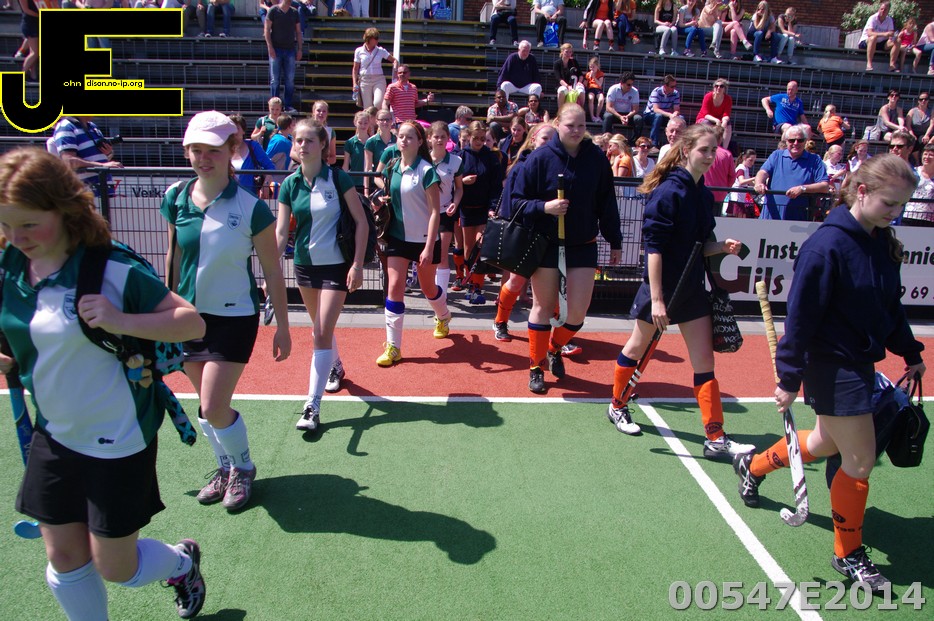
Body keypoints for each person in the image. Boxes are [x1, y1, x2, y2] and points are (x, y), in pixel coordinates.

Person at [0, 148, 207, 621]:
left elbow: (191, 323)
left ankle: (181, 563)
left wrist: (120, 319)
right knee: (64, 556)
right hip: (54, 434)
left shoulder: (111, 269)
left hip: (119, 438)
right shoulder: (9, 267)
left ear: (63, 210)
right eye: (6, 224)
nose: (16, 237)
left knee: (116, 567)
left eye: (29, 224)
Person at [733, 154, 925, 592]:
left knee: (824, 443)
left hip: (859, 362)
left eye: (901, 205)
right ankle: (848, 553)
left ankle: (752, 465)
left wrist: (910, 351)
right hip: (831, 365)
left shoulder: (881, 241)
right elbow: (801, 318)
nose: (895, 212)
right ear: (862, 191)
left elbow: (890, 307)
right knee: (859, 460)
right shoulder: (826, 246)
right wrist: (788, 378)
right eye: (889, 203)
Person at [161, 111, 291, 513]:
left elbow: (272, 270)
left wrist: (283, 327)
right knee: (205, 404)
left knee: (214, 405)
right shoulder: (175, 197)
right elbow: (174, 257)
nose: (204, 158)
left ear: (232, 150)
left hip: (234, 318)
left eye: (213, 150)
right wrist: (165, 312)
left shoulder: (252, 208)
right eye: (196, 150)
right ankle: (224, 466)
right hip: (187, 317)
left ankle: (243, 468)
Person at [607, 124, 752, 457]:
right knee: (637, 347)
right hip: (661, 289)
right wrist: (657, 300)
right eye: (704, 150)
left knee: (704, 362)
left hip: (691, 289)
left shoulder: (703, 194)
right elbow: (654, 248)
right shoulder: (668, 192)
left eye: (714, 150)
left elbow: (699, 247)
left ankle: (715, 437)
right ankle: (617, 404)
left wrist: (721, 247)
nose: (710, 156)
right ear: (686, 150)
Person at [510, 104, 622, 394]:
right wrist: (545, 207)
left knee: (576, 314)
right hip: (546, 244)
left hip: (582, 245)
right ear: (558, 123)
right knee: (543, 307)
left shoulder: (596, 158)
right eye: (570, 125)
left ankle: (554, 348)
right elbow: (516, 202)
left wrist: (615, 240)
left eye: (581, 125)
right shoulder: (539, 158)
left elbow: (607, 202)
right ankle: (536, 367)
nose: (576, 131)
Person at [275, 119, 368, 431]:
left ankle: (312, 406)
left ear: (322, 145)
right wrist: (270, 268)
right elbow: (281, 233)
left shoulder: (338, 178)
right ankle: (336, 366)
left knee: (319, 332)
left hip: (335, 266)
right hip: (304, 267)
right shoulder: (289, 184)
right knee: (320, 328)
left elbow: (361, 222)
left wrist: (357, 265)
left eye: (309, 140)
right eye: (298, 140)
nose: (302, 145)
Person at [374, 120, 453, 366]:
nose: (404, 140)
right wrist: (383, 201)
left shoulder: (427, 171)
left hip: (424, 240)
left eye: (410, 137)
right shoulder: (392, 166)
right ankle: (393, 347)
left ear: (420, 142)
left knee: (428, 289)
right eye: (401, 136)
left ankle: (443, 315)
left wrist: (429, 247)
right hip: (398, 237)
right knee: (394, 286)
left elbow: (435, 212)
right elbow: (389, 193)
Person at [492, 122, 557, 342]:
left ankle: (559, 337)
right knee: (516, 282)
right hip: (526, 232)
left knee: (551, 288)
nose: (549, 143)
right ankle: (500, 321)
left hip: (549, 234)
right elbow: (512, 205)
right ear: (533, 140)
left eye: (553, 139)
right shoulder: (521, 166)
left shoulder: (559, 165)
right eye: (545, 138)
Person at [459, 120, 504, 304]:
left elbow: (496, 186)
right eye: (475, 138)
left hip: (484, 209)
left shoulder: (491, 158)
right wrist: (462, 181)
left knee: (480, 246)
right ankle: (469, 283)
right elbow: (452, 182)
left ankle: (477, 286)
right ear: (469, 137)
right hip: (466, 208)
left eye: (482, 138)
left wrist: (493, 208)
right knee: (468, 248)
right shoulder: (461, 156)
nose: (478, 142)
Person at [754, 124, 830, 221]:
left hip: (799, 219)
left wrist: (802, 189)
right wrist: (759, 183)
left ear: (805, 141)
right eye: (792, 140)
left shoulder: (815, 160)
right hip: (771, 215)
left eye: (800, 140)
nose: (796, 143)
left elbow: (824, 186)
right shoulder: (776, 155)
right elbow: (763, 172)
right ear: (786, 141)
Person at [428, 121, 464, 293]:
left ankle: (441, 294)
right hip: (424, 212)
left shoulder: (455, 161)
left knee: (442, 256)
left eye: (443, 137)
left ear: (448, 138)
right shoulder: (422, 160)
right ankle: (429, 289)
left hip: (444, 212)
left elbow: (459, 188)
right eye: (436, 137)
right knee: (425, 254)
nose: (439, 140)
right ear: (429, 138)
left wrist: (454, 204)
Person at [50, 116, 123, 197]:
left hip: (105, 190)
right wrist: (102, 166)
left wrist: (108, 153)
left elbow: (98, 157)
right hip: (86, 195)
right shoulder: (66, 127)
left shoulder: (93, 126)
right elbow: (69, 161)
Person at [264, 0, 302, 113]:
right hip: (276, 49)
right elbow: (266, 29)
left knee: (289, 79)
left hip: (290, 49)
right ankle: (274, 107)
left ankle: (288, 105)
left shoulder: (294, 12)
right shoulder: (273, 10)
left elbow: (298, 31)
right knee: (275, 80)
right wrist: (270, 47)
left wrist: (300, 49)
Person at [228, 114, 277, 197]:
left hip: (249, 197)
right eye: (231, 128)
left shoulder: (253, 146)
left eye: (237, 128)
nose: (234, 131)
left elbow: (270, 167)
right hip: (228, 197)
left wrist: (265, 185)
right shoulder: (222, 149)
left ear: (243, 131)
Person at [352, 28, 396, 110]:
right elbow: (355, 68)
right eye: (375, 38)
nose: (377, 40)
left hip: (378, 79)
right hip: (365, 80)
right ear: (369, 39)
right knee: (367, 107)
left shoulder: (380, 50)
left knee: (378, 103)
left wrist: (395, 71)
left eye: (377, 38)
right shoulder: (359, 51)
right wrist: (354, 83)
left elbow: (394, 60)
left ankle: (378, 118)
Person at [858, 0, 898, 72]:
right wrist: (884, 34)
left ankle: (892, 65)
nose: (883, 11)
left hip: (880, 43)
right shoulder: (873, 18)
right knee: (873, 38)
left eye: (885, 10)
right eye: (881, 9)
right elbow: (869, 33)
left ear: (888, 11)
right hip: (866, 42)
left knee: (897, 40)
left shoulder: (889, 20)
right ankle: (869, 64)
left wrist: (891, 36)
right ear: (879, 9)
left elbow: (891, 33)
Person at [643, 74, 681, 149]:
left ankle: (679, 144)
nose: (674, 88)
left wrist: (675, 113)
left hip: (665, 115)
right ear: (665, 86)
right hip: (650, 115)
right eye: (672, 86)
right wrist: (670, 115)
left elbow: (677, 109)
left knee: (680, 119)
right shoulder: (656, 92)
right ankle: (654, 144)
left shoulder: (676, 93)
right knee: (658, 116)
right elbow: (656, 109)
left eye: (675, 86)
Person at [364, 109, 396, 195]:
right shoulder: (371, 142)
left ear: (392, 121)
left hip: (395, 182)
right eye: (382, 120)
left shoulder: (397, 140)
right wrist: (366, 192)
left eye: (387, 119)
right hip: (376, 185)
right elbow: (368, 168)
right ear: (377, 121)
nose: (385, 122)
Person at [601, 71, 642, 137]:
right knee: (607, 116)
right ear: (622, 83)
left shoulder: (635, 91)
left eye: (632, 84)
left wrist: (627, 116)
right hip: (614, 113)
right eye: (628, 84)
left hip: (628, 115)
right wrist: (620, 116)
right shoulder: (613, 89)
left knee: (638, 119)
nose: (630, 86)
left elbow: (635, 109)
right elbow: (608, 107)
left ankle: (635, 141)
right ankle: (606, 139)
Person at [703, 125, 736, 206]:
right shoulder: (727, 154)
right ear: (721, 138)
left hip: (702, 192)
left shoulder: (703, 152)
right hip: (720, 194)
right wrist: (725, 190)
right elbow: (732, 176)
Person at [695, 78, 733, 149]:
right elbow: (706, 114)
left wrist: (724, 122)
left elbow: (726, 114)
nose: (718, 88)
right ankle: (706, 145)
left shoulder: (728, 99)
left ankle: (723, 148)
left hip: (719, 120)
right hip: (705, 118)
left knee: (728, 124)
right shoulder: (708, 96)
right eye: (716, 86)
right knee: (706, 123)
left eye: (721, 86)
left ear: (724, 89)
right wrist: (716, 121)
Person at [903, 142, 934, 226]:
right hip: (909, 215)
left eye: (931, 155)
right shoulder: (913, 172)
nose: (927, 157)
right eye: (925, 154)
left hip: (929, 219)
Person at [343, 110, 370, 193]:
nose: (363, 125)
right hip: (355, 181)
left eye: (365, 123)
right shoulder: (350, 143)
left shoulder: (372, 141)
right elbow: (346, 165)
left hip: (371, 181)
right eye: (360, 123)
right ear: (355, 123)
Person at [723, 148, 757, 217]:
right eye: (750, 160)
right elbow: (741, 181)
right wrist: (754, 178)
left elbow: (749, 182)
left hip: (740, 199)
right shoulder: (741, 168)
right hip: (736, 198)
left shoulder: (745, 168)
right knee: (738, 218)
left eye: (754, 161)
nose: (752, 163)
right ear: (744, 158)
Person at [310, 100, 339, 166]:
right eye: (318, 110)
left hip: (323, 167)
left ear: (327, 114)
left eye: (324, 111)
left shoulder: (330, 131)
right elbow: (293, 153)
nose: (321, 113)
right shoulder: (305, 128)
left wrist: (321, 161)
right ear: (313, 112)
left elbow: (333, 158)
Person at [16, 0, 37, 83]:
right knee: (35, 53)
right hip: (30, 24)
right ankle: (22, 73)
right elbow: (26, 10)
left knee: (34, 52)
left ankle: (33, 76)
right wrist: (39, 15)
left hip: (36, 23)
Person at [906, 91, 931, 157]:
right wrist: (911, 134)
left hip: (925, 133)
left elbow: (932, 124)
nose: (923, 101)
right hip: (913, 133)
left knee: (922, 140)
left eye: (925, 99)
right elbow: (908, 125)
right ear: (918, 101)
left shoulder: (931, 112)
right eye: (921, 99)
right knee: (912, 140)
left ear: (928, 100)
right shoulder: (912, 111)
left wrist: (927, 135)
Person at [583, 55, 605, 123]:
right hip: (591, 89)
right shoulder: (588, 74)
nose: (592, 69)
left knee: (601, 99)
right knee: (591, 98)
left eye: (593, 67)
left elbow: (600, 84)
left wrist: (594, 77)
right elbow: (586, 84)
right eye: (590, 67)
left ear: (597, 66)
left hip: (598, 89)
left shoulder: (600, 73)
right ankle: (592, 116)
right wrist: (584, 81)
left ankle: (597, 115)